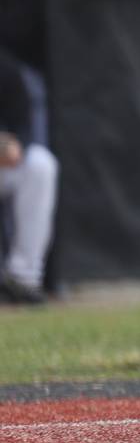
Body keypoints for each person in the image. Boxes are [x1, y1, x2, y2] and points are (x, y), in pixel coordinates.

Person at [0, 45, 58, 305]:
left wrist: (13, 145)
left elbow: (22, 126)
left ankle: (23, 278)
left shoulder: (6, 68)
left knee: (40, 164)